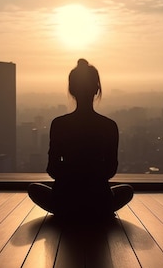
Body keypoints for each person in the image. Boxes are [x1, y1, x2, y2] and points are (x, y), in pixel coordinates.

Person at [28, 59, 133, 219]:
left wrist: (71, 177)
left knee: (34, 188)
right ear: (96, 89)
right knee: (127, 190)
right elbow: (111, 170)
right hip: (99, 202)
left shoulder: (59, 124)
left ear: (72, 90)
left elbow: (52, 168)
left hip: (64, 202)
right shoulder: (109, 126)